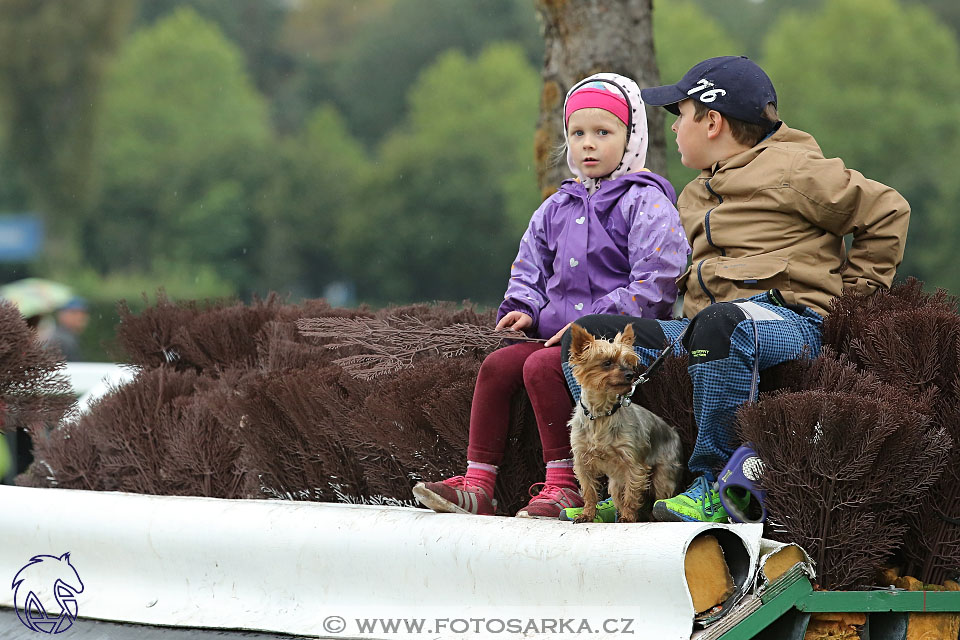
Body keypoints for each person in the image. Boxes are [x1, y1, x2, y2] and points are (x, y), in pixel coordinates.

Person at [559, 56, 910, 523]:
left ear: (712, 122)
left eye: (679, 115)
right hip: (706, 328)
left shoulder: (796, 168)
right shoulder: (693, 192)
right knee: (583, 334)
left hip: (789, 321)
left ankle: (712, 483)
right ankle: (624, 486)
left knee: (721, 324)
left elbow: (888, 211)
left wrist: (851, 302)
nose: (675, 128)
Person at [412, 73, 690, 518]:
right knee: (498, 366)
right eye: (577, 134)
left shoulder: (646, 202)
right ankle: (478, 483)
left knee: (544, 367)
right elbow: (529, 264)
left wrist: (594, 326)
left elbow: (656, 281)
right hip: (550, 334)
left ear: (632, 137)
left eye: (603, 132)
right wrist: (521, 306)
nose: (588, 145)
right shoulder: (557, 206)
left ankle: (566, 484)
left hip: (612, 341)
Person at [46, 297, 90, 361]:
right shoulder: (61, 340)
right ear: (61, 315)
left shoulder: (68, 336)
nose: (80, 317)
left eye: (84, 313)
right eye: (74, 312)